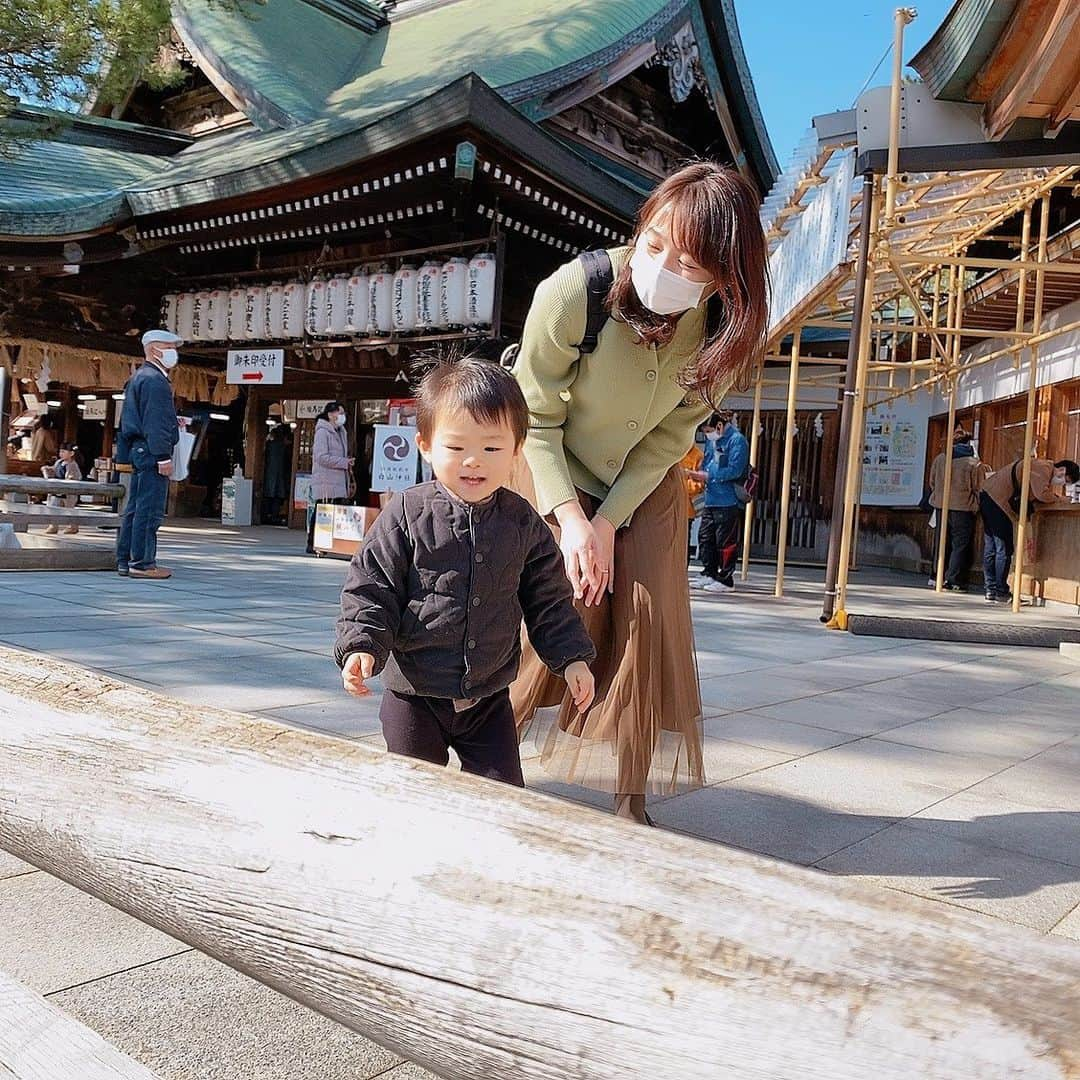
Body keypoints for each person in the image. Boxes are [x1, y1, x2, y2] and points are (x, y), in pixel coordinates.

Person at [509, 161, 768, 823]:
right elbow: (533, 415)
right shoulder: (577, 290)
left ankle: (631, 794)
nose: (662, 267)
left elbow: (667, 439)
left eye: (689, 262)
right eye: (653, 244)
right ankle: (491, 757)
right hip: (556, 464)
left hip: (644, 480)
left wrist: (611, 522)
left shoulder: (722, 334)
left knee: (647, 618)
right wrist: (573, 521)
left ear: (723, 272)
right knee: (566, 602)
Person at [335, 358, 596, 788]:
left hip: (488, 698)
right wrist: (361, 645)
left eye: (492, 448)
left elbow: (549, 599)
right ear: (426, 445)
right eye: (456, 448)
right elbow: (371, 586)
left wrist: (571, 659)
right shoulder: (405, 514)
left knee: (503, 794)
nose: (474, 461)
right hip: (414, 695)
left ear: (516, 450)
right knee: (414, 794)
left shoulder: (522, 523)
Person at [115, 330, 181, 580]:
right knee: (149, 508)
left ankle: (125, 559)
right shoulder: (155, 381)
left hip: (139, 449)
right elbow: (157, 422)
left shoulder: (139, 378)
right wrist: (163, 456)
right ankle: (142, 562)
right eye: (169, 346)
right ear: (154, 350)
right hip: (152, 451)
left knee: (135, 506)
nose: (174, 353)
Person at [979, 457, 1079, 603]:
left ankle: (991, 589)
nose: (1063, 484)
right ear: (1062, 470)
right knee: (1003, 548)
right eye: (1066, 480)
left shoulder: (1040, 465)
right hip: (998, 501)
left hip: (988, 495)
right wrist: (1061, 499)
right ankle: (1000, 591)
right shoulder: (1043, 468)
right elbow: (1041, 494)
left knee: (992, 547)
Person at [695, 410, 749, 592]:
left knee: (725, 541)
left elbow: (735, 469)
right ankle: (709, 572)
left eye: (709, 430)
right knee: (705, 537)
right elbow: (707, 461)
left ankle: (725, 578)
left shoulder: (737, 440)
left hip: (728, 499)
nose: (708, 435)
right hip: (711, 498)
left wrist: (710, 475)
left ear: (719, 426)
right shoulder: (713, 442)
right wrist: (700, 474)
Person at [927, 428, 982, 591]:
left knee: (941, 541)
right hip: (963, 507)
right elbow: (978, 486)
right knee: (960, 544)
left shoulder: (940, 458)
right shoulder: (973, 463)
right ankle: (954, 579)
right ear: (968, 443)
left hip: (940, 505)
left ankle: (936, 576)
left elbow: (932, 482)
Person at [307, 401, 354, 554]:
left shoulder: (341, 432)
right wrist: (343, 462)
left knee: (331, 513)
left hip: (338, 479)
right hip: (326, 480)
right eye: (339, 413)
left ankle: (325, 544)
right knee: (323, 511)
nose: (342, 416)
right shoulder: (323, 432)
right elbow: (321, 457)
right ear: (330, 414)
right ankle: (313, 543)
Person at [42, 442, 83, 535]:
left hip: (67, 492)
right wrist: (47, 469)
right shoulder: (59, 462)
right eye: (60, 452)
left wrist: (69, 480)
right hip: (56, 489)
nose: (61, 454)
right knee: (53, 508)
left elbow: (74, 476)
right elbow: (54, 470)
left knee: (69, 510)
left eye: (64, 452)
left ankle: (72, 526)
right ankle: (53, 526)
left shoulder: (73, 465)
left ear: (71, 453)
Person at [679, 440, 705, 567]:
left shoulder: (698, 455)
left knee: (684, 543)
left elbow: (700, 485)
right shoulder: (673, 453)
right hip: (669, 507)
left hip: (687, 509)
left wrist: (684, 482)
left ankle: (683, 570)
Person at [262, 422, 293, 525]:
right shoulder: (286, 447)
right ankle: (275, 517)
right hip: (281, 476)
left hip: (268, 475)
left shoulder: (269, 445)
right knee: (277, 497)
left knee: (268, 496)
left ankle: (265, 516)